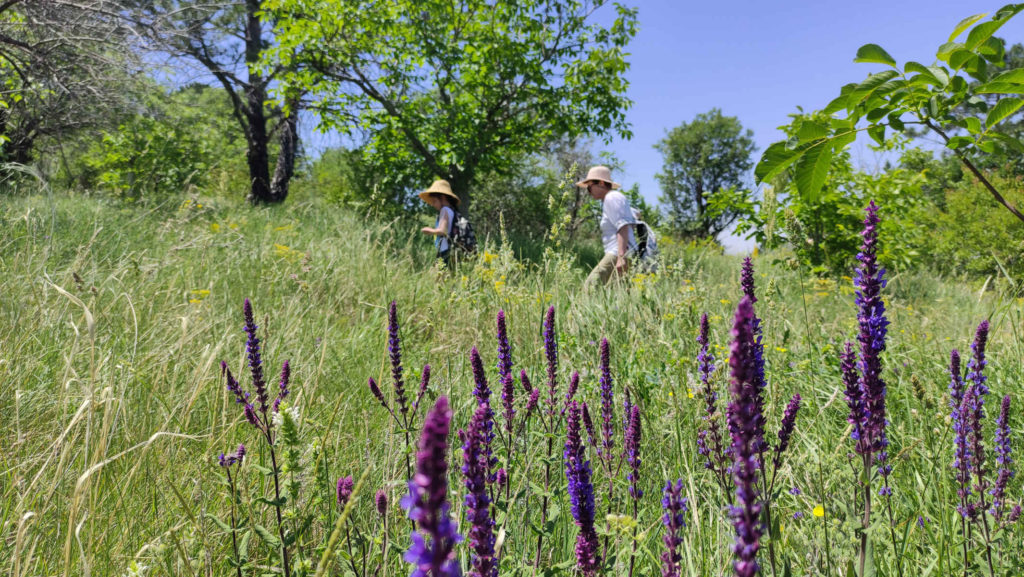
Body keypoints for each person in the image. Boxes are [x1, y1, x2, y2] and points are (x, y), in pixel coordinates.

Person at [577, 166, 636, 287]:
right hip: (622, 253)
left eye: (589, 187)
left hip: (617, 253)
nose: (589, 191)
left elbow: (623, 226)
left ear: (601, 183)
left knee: (591, 287)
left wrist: (621, 257)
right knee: (614, 294)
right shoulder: (613, 198)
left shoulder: (612, 197)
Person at [418, 179, 461, 265]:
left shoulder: (444, 210)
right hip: (452, 250)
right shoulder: (452, 211)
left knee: (440, 276)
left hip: (445, 250)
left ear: (443, 198)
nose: (432, 204)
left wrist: (429, 230)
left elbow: (442, 231)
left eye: (434, 201)